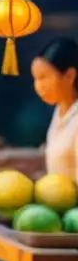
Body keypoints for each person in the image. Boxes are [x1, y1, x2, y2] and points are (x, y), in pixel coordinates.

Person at [31, 38, 78, 179]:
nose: (39, 87)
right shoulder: (59, 111)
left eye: (43, 77)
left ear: (69, 76)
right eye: (35, 79)